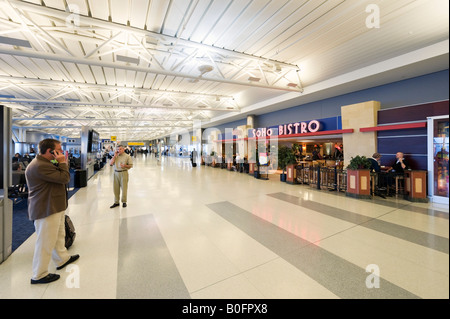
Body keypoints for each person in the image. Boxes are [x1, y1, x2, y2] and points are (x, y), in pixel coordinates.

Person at [25, 138, 79, 284]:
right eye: (59, 150)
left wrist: (60, 161)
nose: (61, 153)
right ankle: (39, 274)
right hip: (46, 208)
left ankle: (62, 259)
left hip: (55, 205)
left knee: (58, 236)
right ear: (50, 151)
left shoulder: (47, 162)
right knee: (45, 242)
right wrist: (62, 162)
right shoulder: (40, 165)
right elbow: (65, 178)